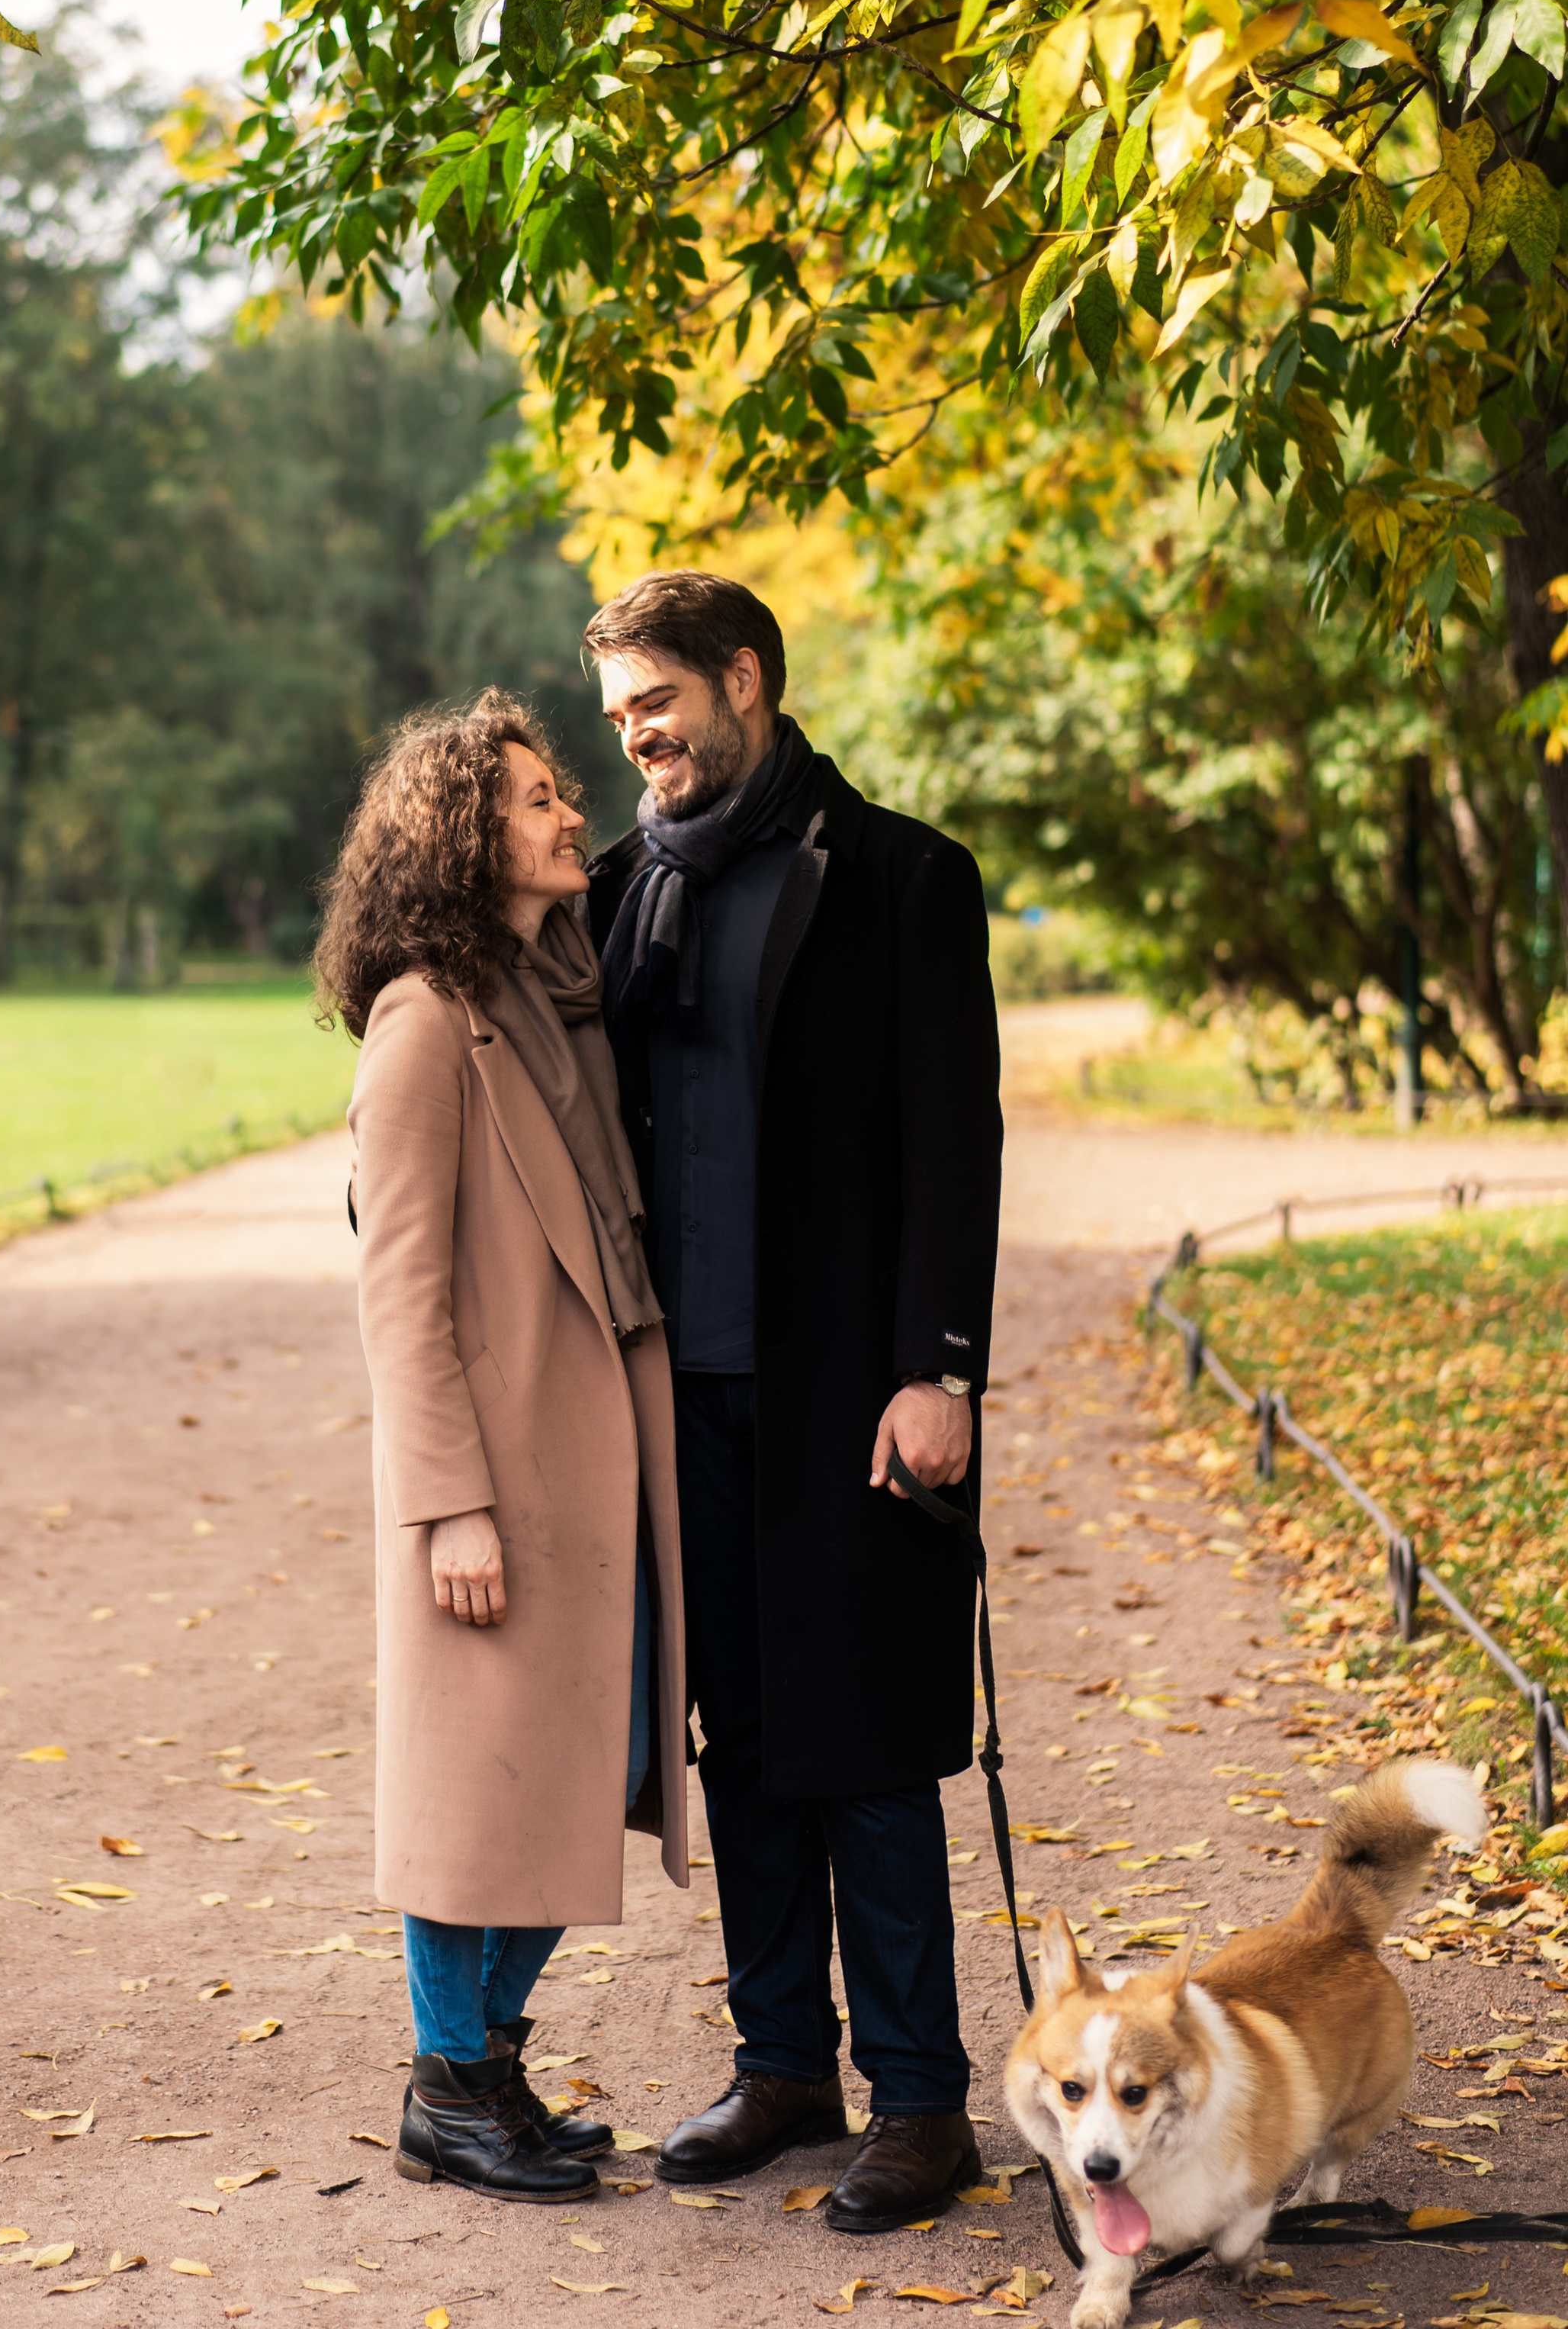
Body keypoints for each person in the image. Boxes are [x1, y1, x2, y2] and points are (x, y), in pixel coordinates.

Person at [582, 570, 1004, 2235]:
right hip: (679, 1399)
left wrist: (937, 1371)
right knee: (741, 1741)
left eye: (656, 706)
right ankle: (781, 2070)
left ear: (742, 678)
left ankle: (919, 2100)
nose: (638, 743)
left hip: (855, 1394)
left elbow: (949, 1145)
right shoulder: (619, 890)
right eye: (617, 721)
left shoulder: (902, 877)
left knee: (871, 1748)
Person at [316, 692, 687, 2205]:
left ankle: (480, 2069)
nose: (566, 814)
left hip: (583, 1463)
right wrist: (447, 1509)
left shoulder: (546, 998)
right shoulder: (422, 1022)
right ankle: (449, 2089)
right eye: (535, 798)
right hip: (492, 1479)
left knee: (577, 1762)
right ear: (465, 833)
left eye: (559, 792)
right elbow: (395, 1296)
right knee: (476, 1785)